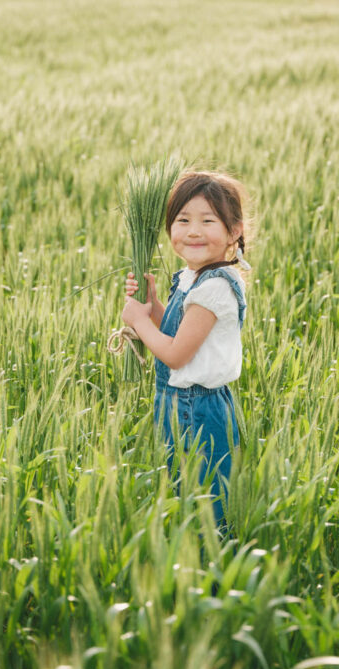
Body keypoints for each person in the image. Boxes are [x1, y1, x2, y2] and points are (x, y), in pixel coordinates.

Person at [120, 170, 252, 539]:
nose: (193, 231)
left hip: (197, 408)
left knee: (204, 503)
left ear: (234, 230)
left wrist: (137, 321)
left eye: (208, 220)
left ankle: (210, 572)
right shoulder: (193, 278)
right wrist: (153, 306)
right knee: (182, 492)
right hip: (176, 404)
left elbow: (176, 355)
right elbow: (180, 332)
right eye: (183, 220)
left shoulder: (215, 289)